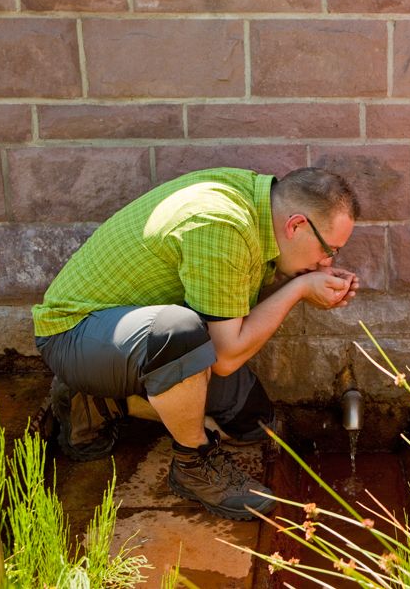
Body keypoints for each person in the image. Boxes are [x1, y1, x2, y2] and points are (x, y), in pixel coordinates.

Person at [32, 167, 361, 520]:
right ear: (295, 226)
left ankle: (102, 404)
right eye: (329, 250)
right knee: (180, 331)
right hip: (74, 332)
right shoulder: (223, 225)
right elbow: (223, 357)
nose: (328, 264)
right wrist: (298, 290)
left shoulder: (257, 204)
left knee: (253, 422)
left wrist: (307, 277)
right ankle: (192, 464)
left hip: (126, 334)